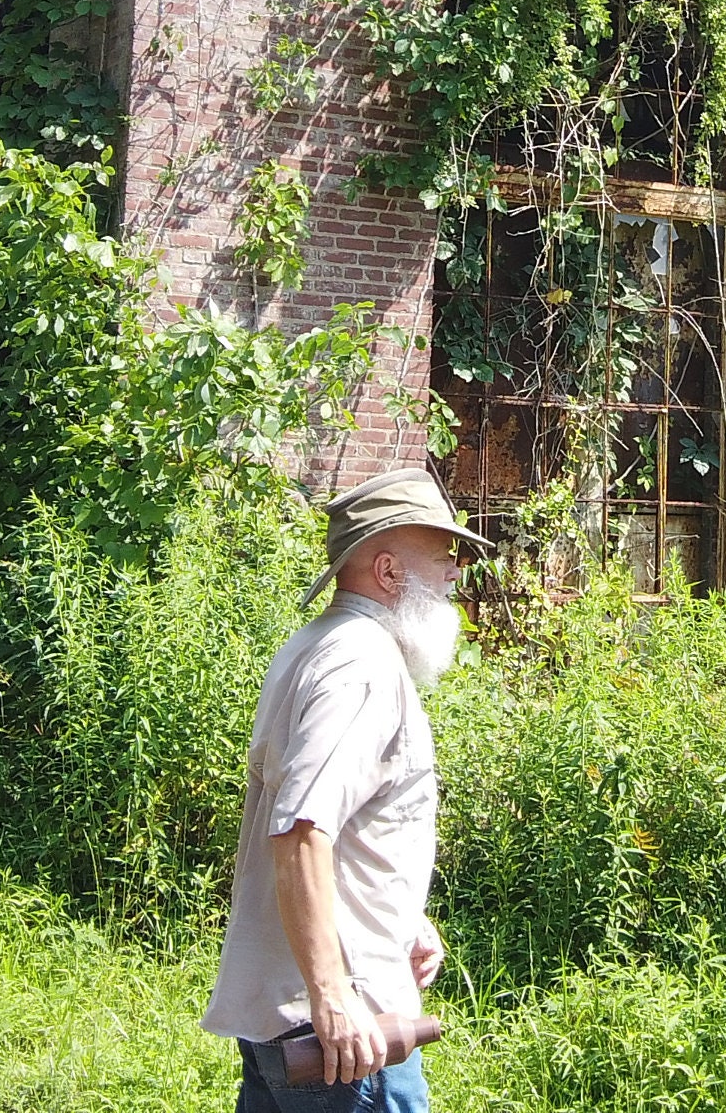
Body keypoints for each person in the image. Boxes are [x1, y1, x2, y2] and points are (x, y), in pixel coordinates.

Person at [203, 467, 487, 1111]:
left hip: (293, 1019)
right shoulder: (361, 665)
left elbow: (338, 824)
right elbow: (303, 829)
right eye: (443, 556)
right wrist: (332, 994)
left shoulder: (315, 646)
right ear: (387, 571)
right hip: (342, 1037)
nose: (454, 574)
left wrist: (398, 917)